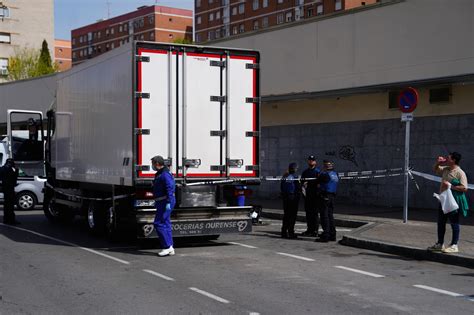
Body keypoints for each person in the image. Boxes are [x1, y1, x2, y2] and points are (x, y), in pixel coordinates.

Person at [428, 152, 468, 253]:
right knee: (441, 222)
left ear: (454, 160)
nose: (446, 159)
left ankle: (454, 245)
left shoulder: (460, 172)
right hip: (443, 200)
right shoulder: (446, 169)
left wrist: (451, 186)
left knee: (454, 223)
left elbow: (464, 188)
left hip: (453, 201)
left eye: (448, 158)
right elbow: (435, 169)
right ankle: (440, 244)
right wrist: (438, 162)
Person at [151, 155, 176, 257]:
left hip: (165, 202)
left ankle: (167, 247)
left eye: (153, 163)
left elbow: (170, 187)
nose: (152, 166)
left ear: (157, 164)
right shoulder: (161, 173)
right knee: (166, 223)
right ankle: (170, 247)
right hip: (163, 201)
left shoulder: (164, 174)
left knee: (159, 223)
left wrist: (169, 202)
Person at [316, 160, 339, 242]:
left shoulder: (325, 175)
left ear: (325, 167)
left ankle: (325, 235)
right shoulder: (335, 174)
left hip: (325, 195)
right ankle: (332, 235)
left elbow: (317, 181)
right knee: (330, 215)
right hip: (332, 196)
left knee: (324, 216)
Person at [300, 155, 320, 237]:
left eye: (312, 160)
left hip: (315, 195)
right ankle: (309, 229)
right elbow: (301, 182)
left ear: (315, 162)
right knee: (308, 213)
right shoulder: (305, 172)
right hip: (307, 195)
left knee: (315, 213)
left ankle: (315, 230)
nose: (311, 161)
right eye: (310, 160)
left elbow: (319, 183)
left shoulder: (317, 172)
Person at [280, 162, 300, 239]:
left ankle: (284, 232)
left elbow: (281, 187)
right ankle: (291, 232)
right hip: (292, 197)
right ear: (294, 169)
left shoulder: (284, 176)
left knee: (286, 215)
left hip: (285, 197)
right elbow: (298, 187)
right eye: (296, 168)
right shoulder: (295, 177)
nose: (296, 169)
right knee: (292, 216)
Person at [1, 159, 20, 225]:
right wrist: (16, 170)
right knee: (10, 205)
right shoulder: (11, 170)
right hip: (10, 189)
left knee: (6, 205)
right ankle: (11, 220)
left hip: (5, 189)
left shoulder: (2, 169)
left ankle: (6, 219)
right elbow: (14, 179)